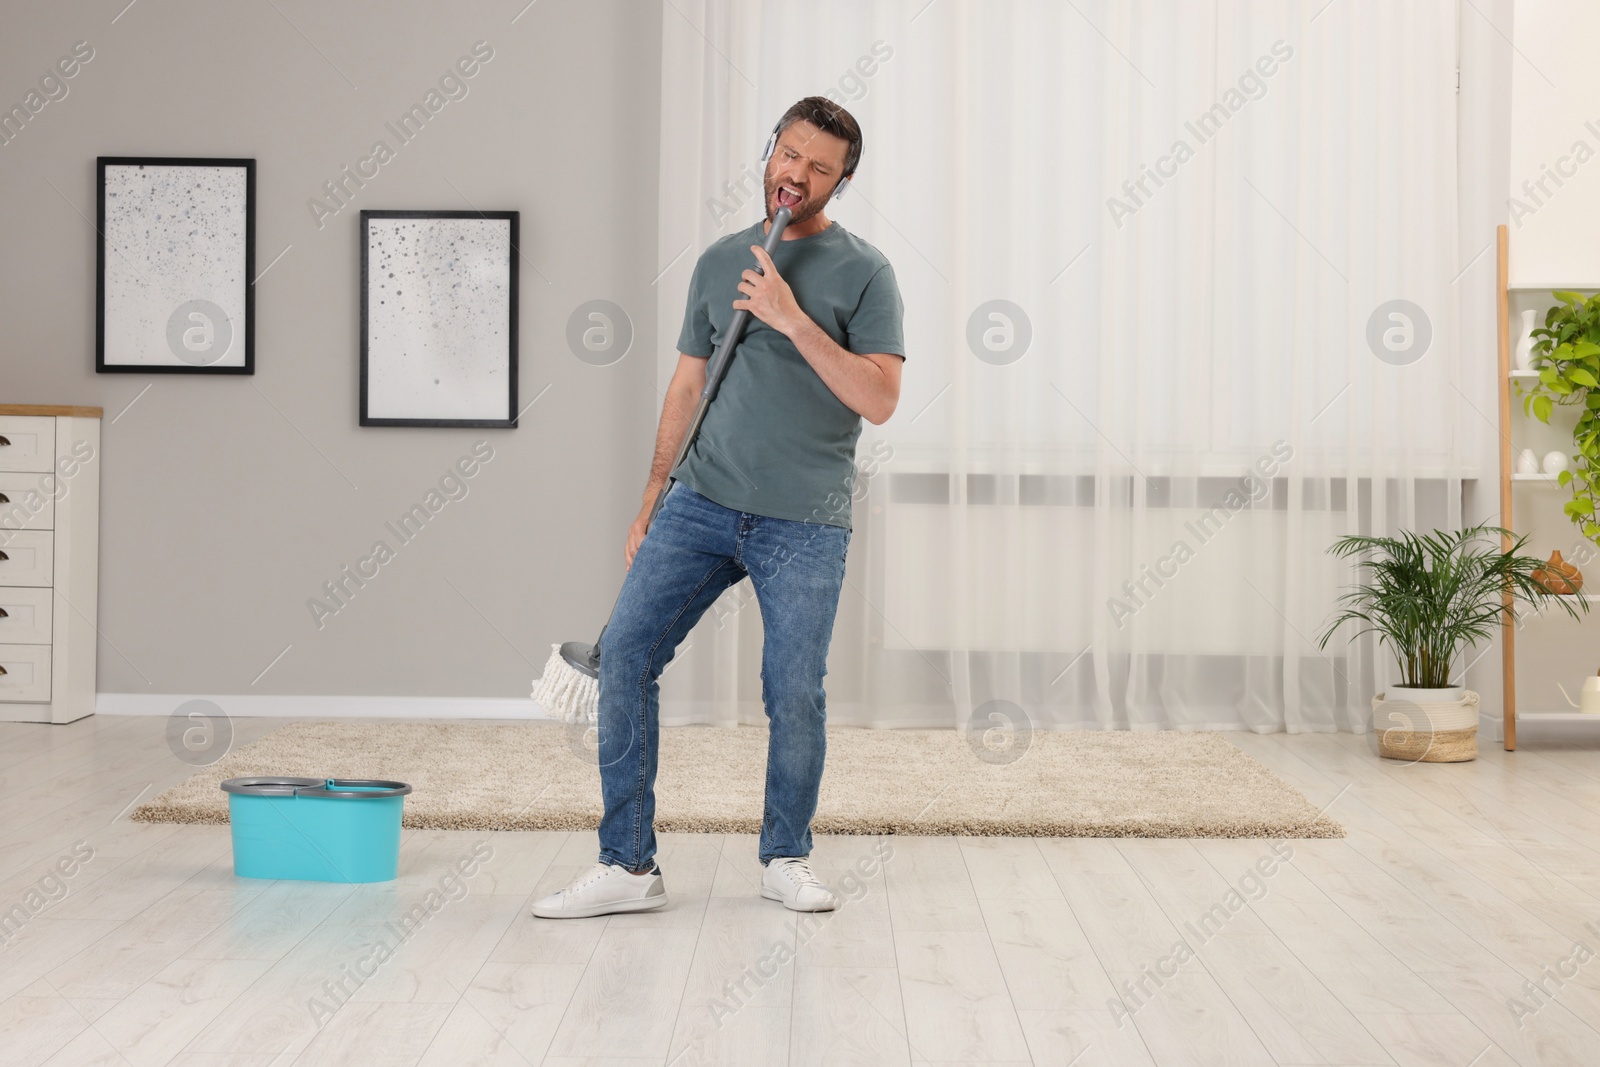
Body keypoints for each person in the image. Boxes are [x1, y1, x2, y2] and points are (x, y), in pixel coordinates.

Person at [532, 96, 905, 920]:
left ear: (840, 182)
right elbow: (688, 383)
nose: (796, 174)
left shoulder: (866, 272)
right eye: (789, 154)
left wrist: (789, 316)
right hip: (699, 502)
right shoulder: (716, 261)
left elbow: (878, 398)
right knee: (625, 656)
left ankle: (785, 855)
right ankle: (628, 865)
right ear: (769, 151)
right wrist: (651, 495)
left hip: (804, 517)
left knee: (792, 686)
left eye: (819, 167)